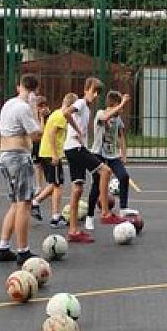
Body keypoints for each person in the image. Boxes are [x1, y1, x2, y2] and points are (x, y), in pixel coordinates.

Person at [0, 74, 44, 266]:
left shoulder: (8, 104)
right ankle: (23, 250)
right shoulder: (24, 108)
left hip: (5, 155)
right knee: (24, 203)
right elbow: (36, 135)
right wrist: (36, 111)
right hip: (18, 157)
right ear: (35, 91)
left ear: (19, 87)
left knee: (15, 203)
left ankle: (3, 247)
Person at [61, 77, 113, 244]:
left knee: (77, 189)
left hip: (72, 148)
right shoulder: (81, 103)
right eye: (93, 91)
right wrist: (77, 130)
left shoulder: (87, 109)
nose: (96, 95)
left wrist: (78, 133)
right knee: (105, 171)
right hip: (75, 148)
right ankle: (105, 213)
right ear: (86, 89)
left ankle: (73, 231)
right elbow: (65, 113)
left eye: (98, 93)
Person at [34, 92, 75, 230]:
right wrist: (54, 155)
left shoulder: (57, 113)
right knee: (57, 185)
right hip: (50, 154)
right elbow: (51, 134)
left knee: (54, 183)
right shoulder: (61, 116)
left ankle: (35, 202)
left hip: (45, 152)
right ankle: (55, 217)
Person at [92, 90, 133, 217]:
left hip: (112, 155)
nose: (122, 109)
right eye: (120, 105)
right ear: (115, 104)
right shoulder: (100, 113)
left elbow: (121, 136)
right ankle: (90, 213)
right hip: (98, 154)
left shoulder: (118, 119)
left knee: (124, 176)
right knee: (96, 184)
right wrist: (122, 103)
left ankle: (123, 208)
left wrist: (123, 154)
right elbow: (105, 118)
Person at [28, 95, 50, 220]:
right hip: (37, 143)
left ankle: (45, 186)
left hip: (45, 144)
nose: (42, 108)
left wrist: (43, 117)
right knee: (37, 165)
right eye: (39, 106)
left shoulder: (49, 116)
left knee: (44, 166)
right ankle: (39, 186)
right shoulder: (34, 117)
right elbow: (38, 132)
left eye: (43, 106)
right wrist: (39, 117)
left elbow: (44, 131)